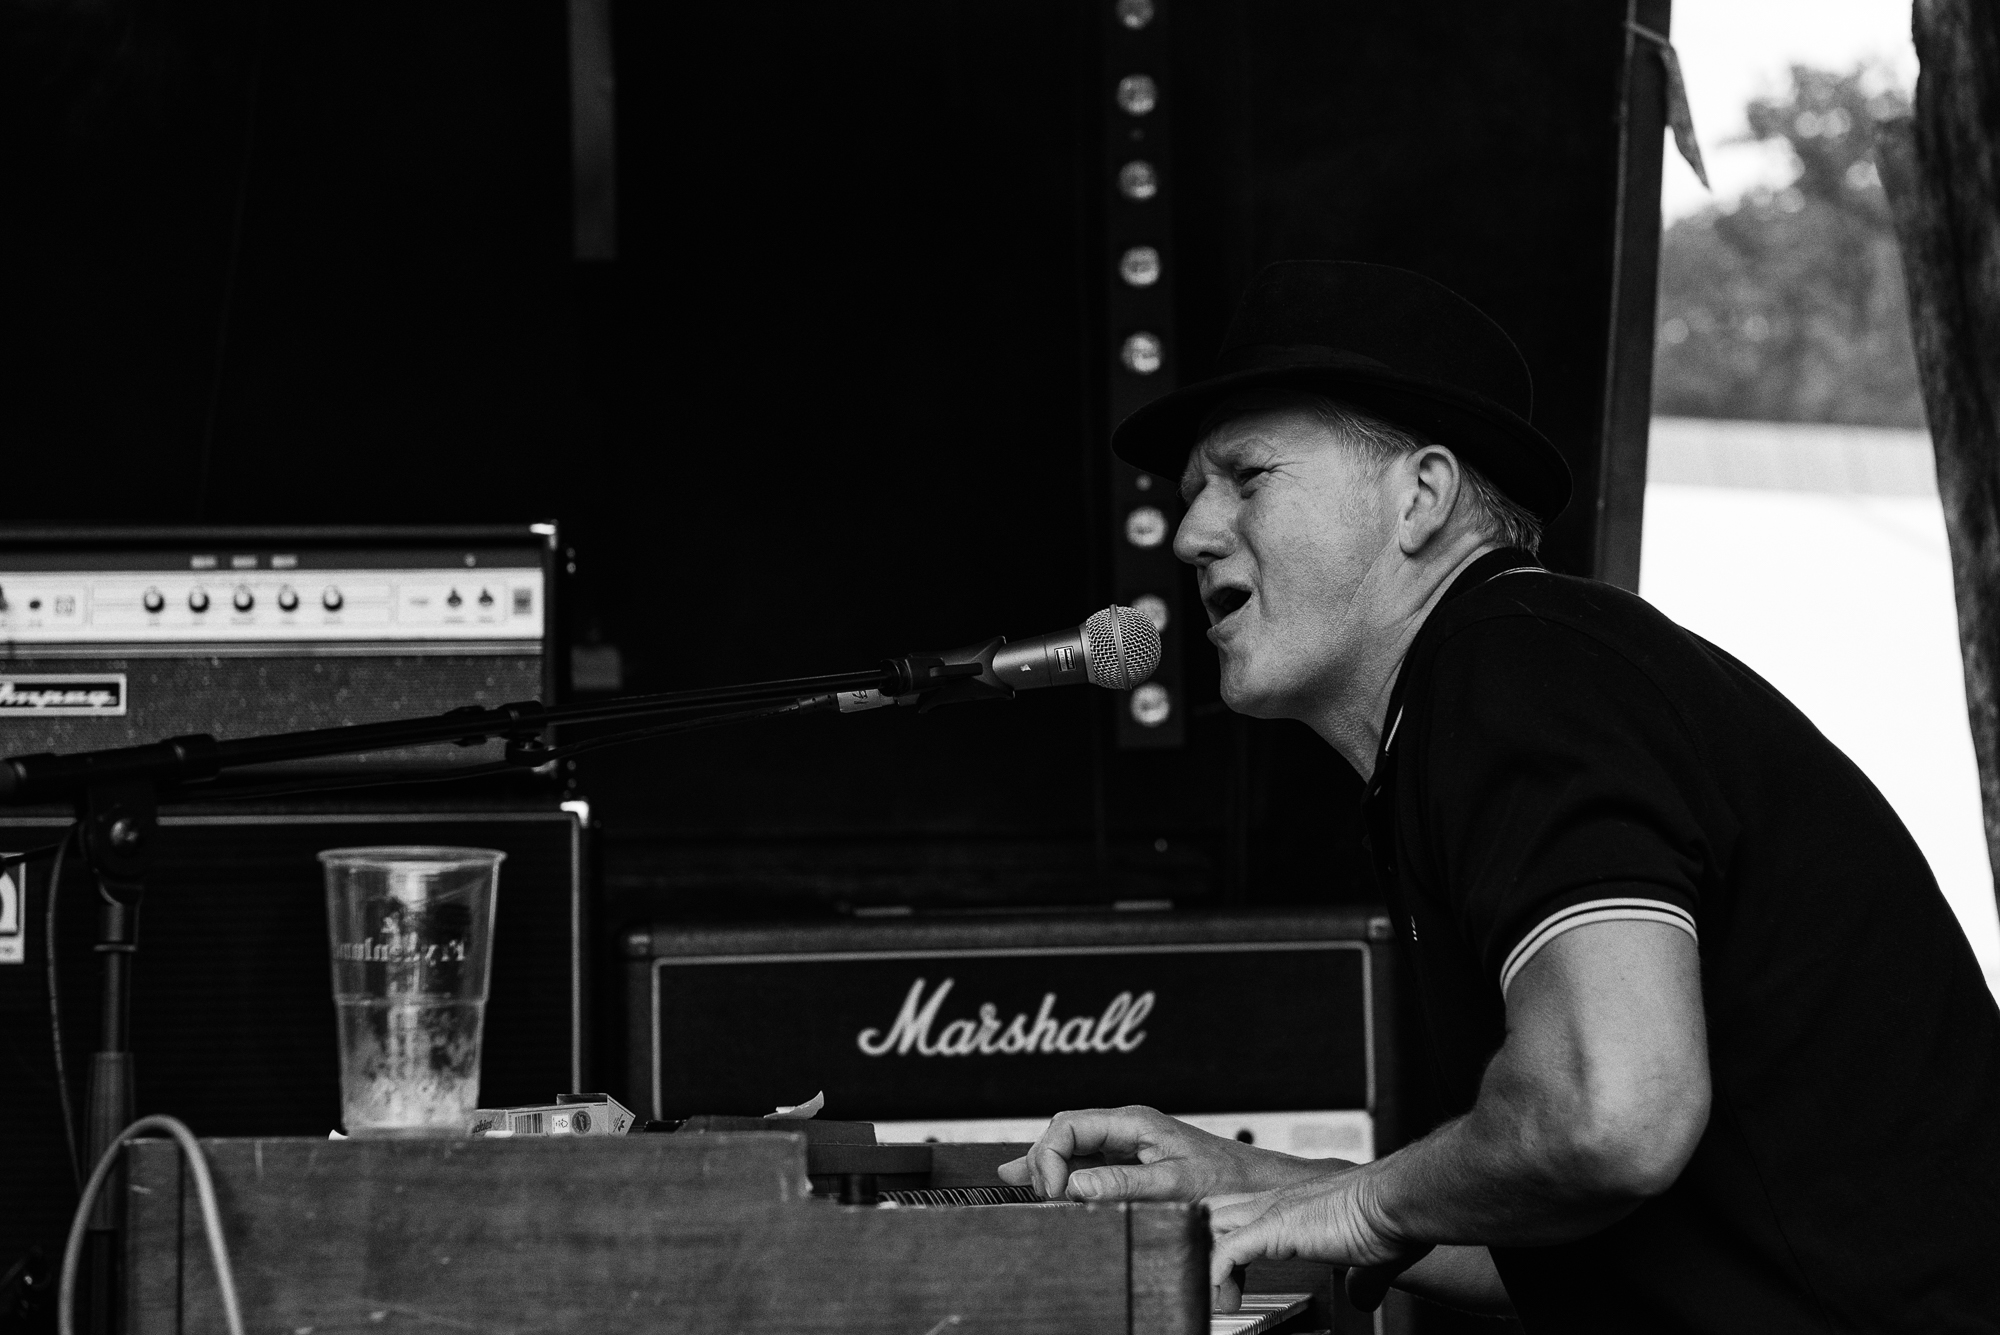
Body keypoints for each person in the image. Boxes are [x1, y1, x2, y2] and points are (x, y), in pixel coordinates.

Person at [997, 262, 2000, 1330]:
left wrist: (1357, 1205)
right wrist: (1272, 1187)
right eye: (1192, 493)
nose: (1191, 533)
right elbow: (1572, 1244)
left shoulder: (1515, 666)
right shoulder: (1486, 689)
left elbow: (1613, 1115)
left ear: (1421, 496)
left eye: (1245, 477)